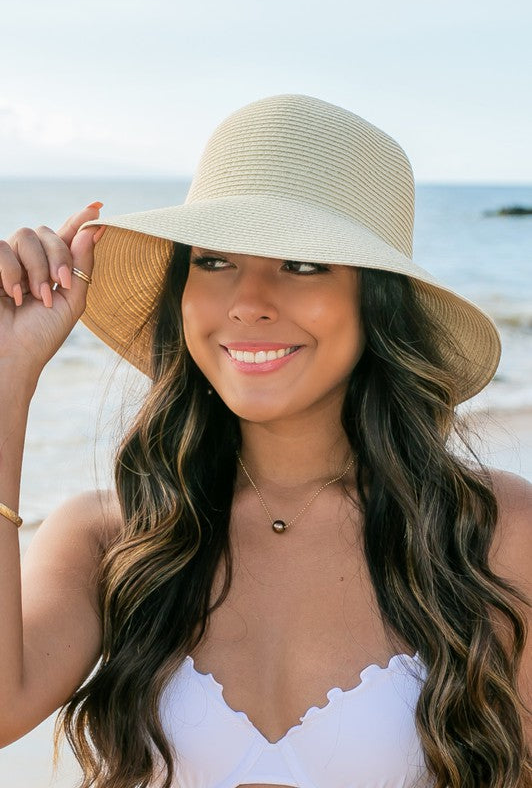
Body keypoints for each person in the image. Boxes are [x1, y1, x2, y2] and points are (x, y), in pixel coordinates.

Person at [0, 94, 530, 788]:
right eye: (214, 261)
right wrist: (9, 378)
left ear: (376, 300)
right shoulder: (111, 539)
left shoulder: (492, 532)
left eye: (303, 263)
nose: (248, 300)